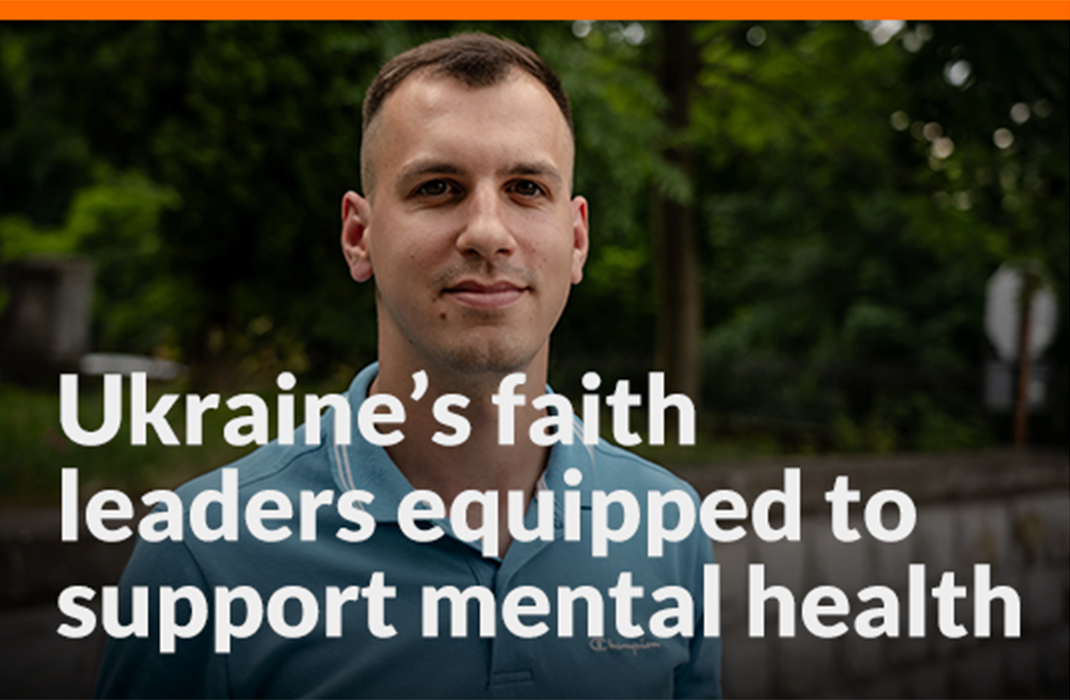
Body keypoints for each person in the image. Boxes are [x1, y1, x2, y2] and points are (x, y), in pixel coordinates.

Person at [95, 33, 721, 699]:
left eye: (527, 188)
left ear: (576, 239)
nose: (487, 231)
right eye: (439, 187)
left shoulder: (665, 524)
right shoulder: (203, 554)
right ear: (358, 236)